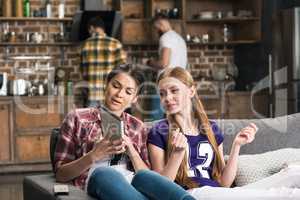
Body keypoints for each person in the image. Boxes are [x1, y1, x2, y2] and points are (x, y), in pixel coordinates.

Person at [148, 67, 300, 199]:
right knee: (286, 195)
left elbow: (224, 183)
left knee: (293, 174)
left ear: (191, 91)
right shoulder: (159, 131)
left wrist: (236, 146)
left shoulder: (210, 129)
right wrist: (177, 154)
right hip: (192, 194)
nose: (167, 98)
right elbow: (159, 187)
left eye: (174, 91)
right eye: (162, 94)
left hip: (218, 193)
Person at [54, 64, 195, 200]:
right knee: (105, 173)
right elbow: (61, 174)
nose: (119, 94)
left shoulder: (137, 127)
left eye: (128, 91)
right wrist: (93, 155)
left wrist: (132, 151)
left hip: (132, 184)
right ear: (106, 85)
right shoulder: (78, 118)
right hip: (96, 180)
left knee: (144, 177)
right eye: (115, 86)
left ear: (134, 99)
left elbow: (148, 177)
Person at [81, 16, 126, 107]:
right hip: (111, 94)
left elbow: (84, 73)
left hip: (92, 95)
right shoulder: (115, 43)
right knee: (111, 121)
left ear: (91, 28)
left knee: (91, 121)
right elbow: (123, 70)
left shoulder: (86, 44)